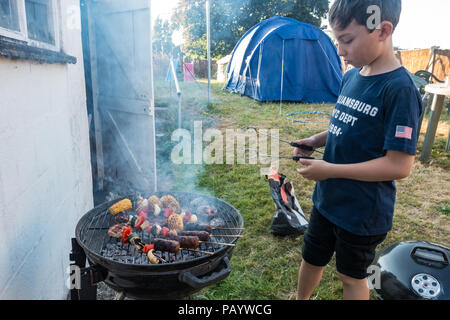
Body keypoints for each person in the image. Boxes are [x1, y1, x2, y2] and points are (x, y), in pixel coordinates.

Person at [294, 0, 423, 300]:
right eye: (337, 40)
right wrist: (315, 141)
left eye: (347, 40)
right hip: (328, 201)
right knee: (311, 258)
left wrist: (331, 171)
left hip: (362, 213)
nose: (340, 50)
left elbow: (399, 166)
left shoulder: (400, 90)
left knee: (351, 277)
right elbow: (347, 123)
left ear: (383, 30)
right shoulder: (351, 77)